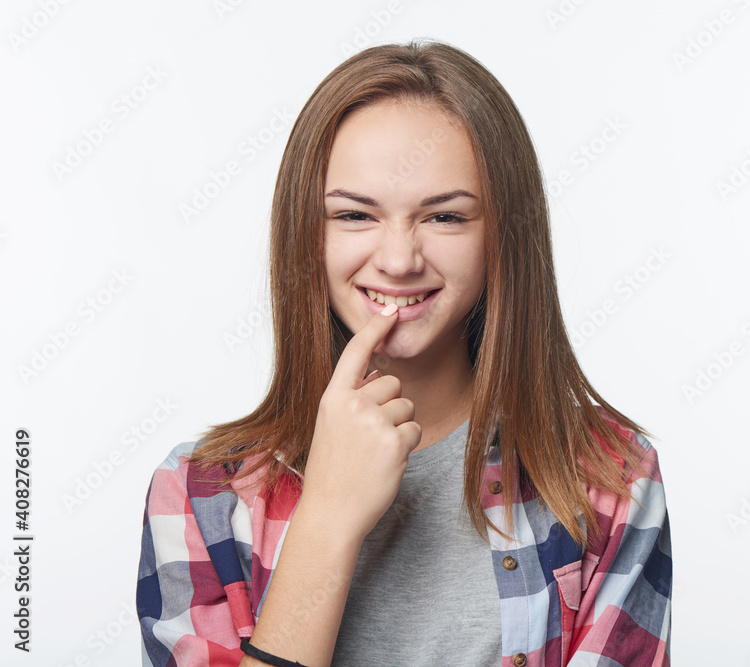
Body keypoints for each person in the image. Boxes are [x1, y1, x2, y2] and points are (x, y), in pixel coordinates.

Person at [136, 39, 672, 667]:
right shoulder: (199, 495)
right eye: (355, 215)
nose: (397, 260)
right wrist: (328, 520)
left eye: (445, 218)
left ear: (503, 235)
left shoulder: (611, 479)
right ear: (306, 233)